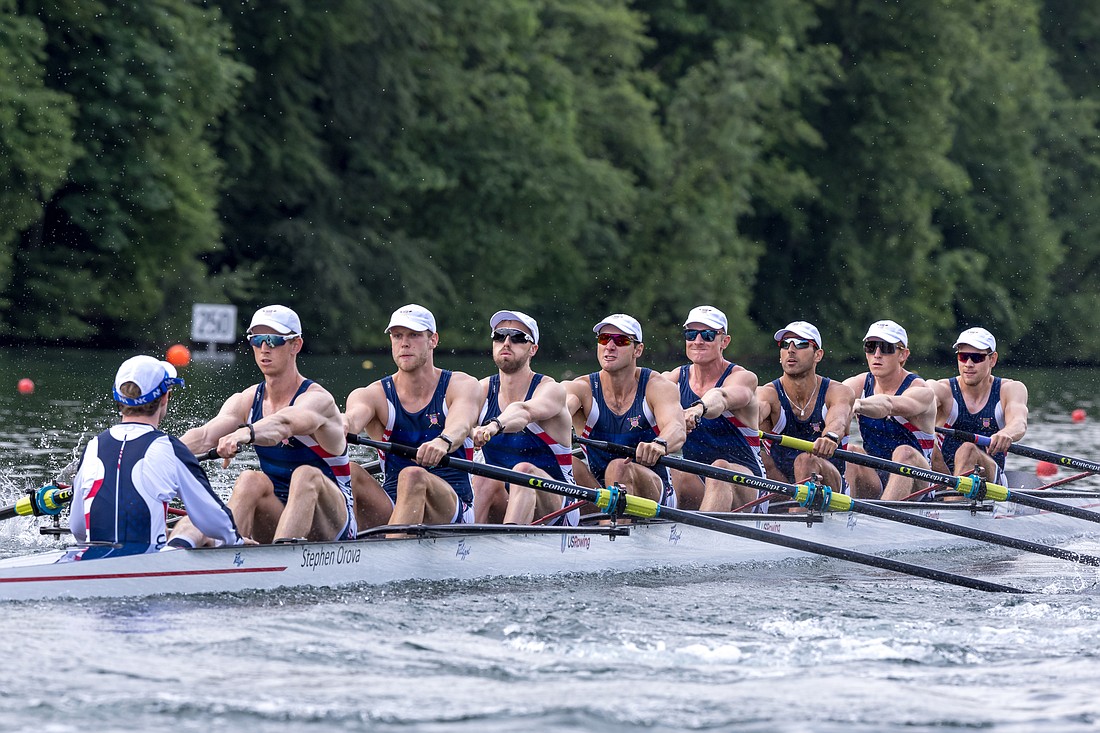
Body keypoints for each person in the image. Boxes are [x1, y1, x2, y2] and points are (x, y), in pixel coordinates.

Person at [171, 305, 358, 545]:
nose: (264, 348)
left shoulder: (318, 400)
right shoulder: (247, 400)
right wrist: (151, 451)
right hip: (280, 512)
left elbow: (285, 423)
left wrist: (245, 433)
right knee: (250, 479)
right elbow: (204, 436)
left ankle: (276, 560)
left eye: (273, 340)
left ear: (295, 345)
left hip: (334, 523)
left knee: (306, 475)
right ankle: (223, 548)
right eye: (257, 340)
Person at [68, 356, 242, 558]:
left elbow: (78, 528)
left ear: (118, 398)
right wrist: (236, 543)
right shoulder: (170, 448)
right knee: (200, 526)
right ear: (165, 397)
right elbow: (216, 521)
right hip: (148, 565)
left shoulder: (93, 446)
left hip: (92, 563)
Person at [344, 304, 483, 526]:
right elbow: (351, 419)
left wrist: (443, 441)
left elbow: (462, 423)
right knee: (349, 470)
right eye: (397, 336)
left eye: (414, 335)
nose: (404, 343)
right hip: (393, 507)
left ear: (433, 340)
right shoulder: (373, 394)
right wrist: (336, 427)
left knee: (413, 476)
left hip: (453, 510)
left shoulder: (462, 385)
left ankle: (390, 553)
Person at [470, 310, 578, 526]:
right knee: (482, 477)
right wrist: (468, 430)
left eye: (518, 337)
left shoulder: (550, 390)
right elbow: (454, 424)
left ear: (533, 349)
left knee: (523, 471)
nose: (507, 343)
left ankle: (510, 549)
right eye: (499, 336)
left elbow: (523, 411)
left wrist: (494, 426)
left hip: (558, 505)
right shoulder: (479, 390)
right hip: (505, 499)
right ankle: (463, 543)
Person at [565, 314, 685, 507]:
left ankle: (607, 531)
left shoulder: (657, 387)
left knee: (619, 466)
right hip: (598, 492)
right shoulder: (580, 388)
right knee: (567, 462)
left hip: (653, 495)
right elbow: (559, 410)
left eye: (621, 341)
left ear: (638, 350)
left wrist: (660, 443)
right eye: (604, 339)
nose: (610, 346)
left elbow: (677, 428)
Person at [661, 305, 767, 512]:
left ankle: (704, 539)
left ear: (724, 342)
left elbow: (721, 396)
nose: (698, 341)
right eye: (691, 334)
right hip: (698, 480)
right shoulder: (672, 379)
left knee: (718, 468)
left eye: (708, 335)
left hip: (747, 483)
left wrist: (698, 408)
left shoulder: (742, 377)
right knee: (670, 469)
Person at [842, 320, 937, 501]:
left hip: (919, 484)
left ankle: (883, 520)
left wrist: (858, 405)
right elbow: (830, 397)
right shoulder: (858, 383)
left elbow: (887, 405)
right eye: (870, 347)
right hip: (875, 479)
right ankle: (845, 515)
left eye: (886, 348)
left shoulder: (921, 390)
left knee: (904, 452)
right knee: (852, 450)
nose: (877, 354)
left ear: (903, 355)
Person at [757, 321, 854, 494]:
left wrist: (830, 437)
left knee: (805, 460)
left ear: (818, 355)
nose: (791, 350)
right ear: (780, 355)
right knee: (757, 458)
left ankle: (795, 515)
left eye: (801, 344)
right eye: (785, 344)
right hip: (782, 485)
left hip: (830, 486)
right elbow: (753, 414)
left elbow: (838, 420)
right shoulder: (767, 394)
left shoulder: (837, 391)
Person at [931, 327, 1029, 485]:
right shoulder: (942, 389)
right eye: (963, 357)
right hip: (942, 477)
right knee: (921, 448)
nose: (968, 364)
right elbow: (922, 404)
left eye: (976, 358)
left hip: (989, 479)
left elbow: (1019, 422)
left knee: (968, 450)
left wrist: (1006, 433)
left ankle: (952, 503)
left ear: (992, 359)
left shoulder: (1010, 389)